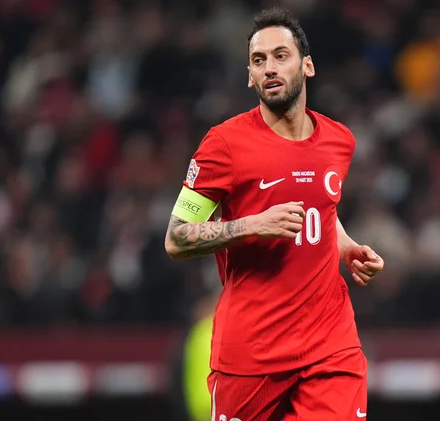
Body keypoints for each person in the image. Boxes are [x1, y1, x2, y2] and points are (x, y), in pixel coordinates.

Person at [164, 8, 385, 421]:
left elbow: (322, 207)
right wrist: (254, 224)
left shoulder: (339, 141)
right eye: (259, 60)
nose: (269, 67)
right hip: (252, 350)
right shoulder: (223, 145)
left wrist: (346, 246)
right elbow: (176, 238)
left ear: (307, 65)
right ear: (250, 76)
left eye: (281, 56)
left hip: (330, 344)